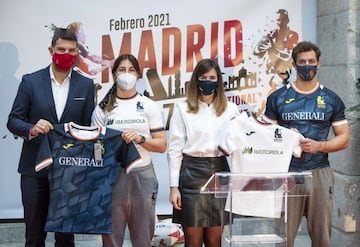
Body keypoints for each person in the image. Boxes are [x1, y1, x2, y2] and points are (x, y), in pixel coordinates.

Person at [7, 26, 95, 247]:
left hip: (69, 172)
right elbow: (13, 120)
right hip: (34, 170)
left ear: (77, 53)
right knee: (34, 236)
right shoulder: (31, 81)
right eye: (61, 49)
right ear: (51, 50)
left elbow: (89, 129)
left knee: (66, 237)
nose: (67, 55)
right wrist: (31, 128)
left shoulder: (85, 85)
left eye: (71, 50)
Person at [264, 41, 350, 247]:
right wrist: (285, 138)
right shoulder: (278, 97)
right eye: (302, 62)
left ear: (319, 64)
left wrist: (321, 146)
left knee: (322, 238)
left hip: (319, 171)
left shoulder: (331, 98)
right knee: (283, 239)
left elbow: (344, 138)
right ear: (294, 64)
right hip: (287, 173)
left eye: (311, 61)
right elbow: (265, 136)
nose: (307, 66)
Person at [91, 54, 167, 247]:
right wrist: (104, 155)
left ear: (138, 74)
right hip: (112, 176)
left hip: (142, 175)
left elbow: (161, 145)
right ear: (114, 74)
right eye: (122, 70)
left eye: (131, 70)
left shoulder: (148, 105)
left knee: (143, 238)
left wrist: (140, 139)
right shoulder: (102, 108)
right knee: (111, 239)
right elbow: (95, 149)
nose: (126, 74)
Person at [167, 58, 239, 247]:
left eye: (212, 77)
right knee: (193, 240)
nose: (208, 81)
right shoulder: (182, 108)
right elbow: (174, 149)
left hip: (220, 171)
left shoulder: (231, 109)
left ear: (219, 81)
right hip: (191, 173)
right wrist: (174, 186)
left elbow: (239, 144)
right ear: (196, 79)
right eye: (204, 77)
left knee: (214, 240)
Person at [254, 9, 299, 78]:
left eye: (282, 20)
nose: (280, 22)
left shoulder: (292, 35)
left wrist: (271, 48)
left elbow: (287, 56)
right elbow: (256, 52)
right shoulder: (271, 34)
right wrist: (260, 46)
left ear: (287, 21)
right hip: (269, 73)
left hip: (285, 75)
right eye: (277, 20)